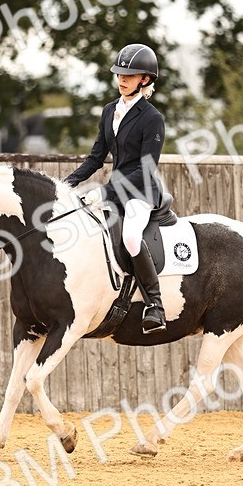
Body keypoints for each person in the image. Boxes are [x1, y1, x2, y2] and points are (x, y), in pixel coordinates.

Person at [65, 43, 167, 333]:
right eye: (120, 74)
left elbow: (145, 169)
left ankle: (155, 304)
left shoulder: (152, 118)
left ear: (144, 79)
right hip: (113, 191)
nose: (122, 79)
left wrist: (106, 192)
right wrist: (65, 185)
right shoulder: (110, 111)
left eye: (129, 75)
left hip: (140, 193)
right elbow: (96, 158)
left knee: (132, 237)